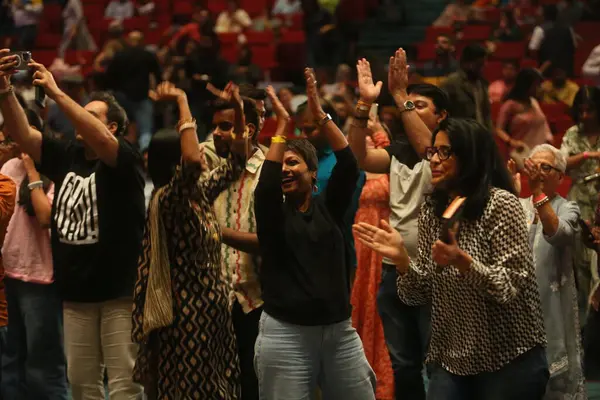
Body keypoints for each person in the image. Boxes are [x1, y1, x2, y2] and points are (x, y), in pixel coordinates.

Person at [354, 118, 549, 400]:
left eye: (444, 152)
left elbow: (507, 288)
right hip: (451, 359)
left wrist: (462, 261)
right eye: (432, 151)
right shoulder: (432, 210)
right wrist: (403, 262)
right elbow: (416, 295)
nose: (433, 159)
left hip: (508, 358)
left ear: (469, 156)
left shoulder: (502, 205)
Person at [0, 50, 145, 399]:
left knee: (124, 385)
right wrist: (4, 89)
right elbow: (23, 134)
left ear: (112, 127)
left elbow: (103, 141)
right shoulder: (67, 156)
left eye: (91, 116)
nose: (80, 121)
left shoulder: (122, 159)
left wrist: (58, 93)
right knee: (81, 386)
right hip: (76, 292)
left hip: (118, 293)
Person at [254, 68, 376, 399]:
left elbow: (349, 164)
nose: (285, 170)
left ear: (312, 171)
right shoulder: (272, 215)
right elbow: (265, 188)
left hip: (339, 332)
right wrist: (280, 129)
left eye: (293, 163)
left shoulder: (329, 207)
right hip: (285, 335)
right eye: (281, 165)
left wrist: (320, 115)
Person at [132, 81, 245, 399]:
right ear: (175, 162)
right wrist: (182, 100)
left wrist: (238, 109)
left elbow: (236, 162)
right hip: (186, 323)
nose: (205, 154)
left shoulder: (197, 195)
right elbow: (194, 161)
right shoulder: (171, 200)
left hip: (212, 318)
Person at [348, 49, 448, 400]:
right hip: (395, 270)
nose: (410, 109)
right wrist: (363, 106)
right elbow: (358, 155)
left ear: (442, 116)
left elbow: (429, 150)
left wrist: (402, 94)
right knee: (403, 362)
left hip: (435, 271)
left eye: (421, 106)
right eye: (410, 104)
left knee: (439, 361)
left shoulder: (447, 157)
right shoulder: (396, 154)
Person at [202, 85, 270, 400]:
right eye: (215, 126)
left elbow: (274, 243)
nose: (217, 134)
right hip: (215, 301)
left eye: (226, 126)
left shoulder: (271, 172)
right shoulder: (212, 172)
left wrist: (217, 230)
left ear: (248, 129)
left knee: (255, 386)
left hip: (258, 301)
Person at [0, 111, 67, 400]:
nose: (8, 142)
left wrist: (32, 170)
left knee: (43, 364)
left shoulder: (55, 170)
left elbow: (45, 217)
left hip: (40, 278)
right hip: (8, 273)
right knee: (9, 361)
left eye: (13, 136)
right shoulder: (6, 167)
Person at [510, 145, 586, 399]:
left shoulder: (568, 208)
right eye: (535, 165)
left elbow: (558, 234)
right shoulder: (517, 205)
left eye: (547, 167)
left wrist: (538, 194)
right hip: (514, 310)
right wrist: (510, 190)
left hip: (550, 307)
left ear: (560, 177)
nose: (540, 171)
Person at [560, 86, 600, 323]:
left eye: (591, 110)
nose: (585, 116)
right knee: (581, 263)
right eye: (581, 110)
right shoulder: (572, 134)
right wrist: (589, 156)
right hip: (580, 203)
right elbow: (562, 164)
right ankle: (586, 324)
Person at [106, 31, 162, 151]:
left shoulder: (120, 55)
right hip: (142, 97)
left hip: (121, 97)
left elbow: (109, 76)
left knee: (120, 130)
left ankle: (118, 154)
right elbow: (158, 75)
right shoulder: (147, 55)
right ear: (142, 41)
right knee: (145, 131)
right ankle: (145, 158)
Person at [495, 68, 553, 153]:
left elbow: (544, 123)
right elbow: (499, 130)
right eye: (537, 85)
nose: (540, 88)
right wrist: (511, 142)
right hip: (521, 151)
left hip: (540, 151)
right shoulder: (510, 104)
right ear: (526, 85)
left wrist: (549, 137)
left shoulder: (534, 102)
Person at [442, 44, 493, 132]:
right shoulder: (451, 83)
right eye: (479, 65)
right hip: (461, 136)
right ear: (467, 63)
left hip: (481, 136)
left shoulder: (482, 83)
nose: (483, 68)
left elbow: (486, 114)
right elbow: (442, 113)